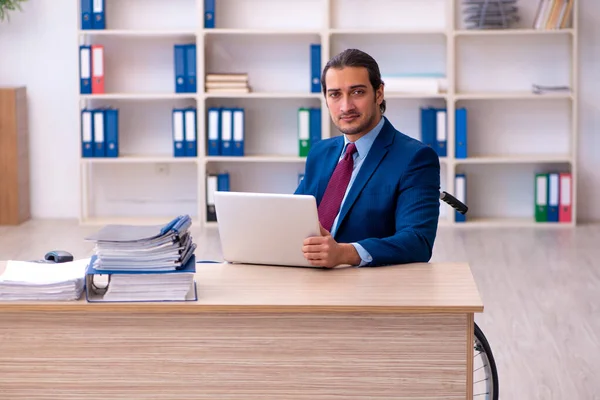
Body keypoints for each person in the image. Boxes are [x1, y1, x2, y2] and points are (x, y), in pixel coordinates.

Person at [295, 48, 441, 268]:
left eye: (357, 92)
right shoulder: (319, 153)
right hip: (306, 275)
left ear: (379, 93)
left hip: (367, 286)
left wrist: (345, 253)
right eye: (335, 94)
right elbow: (294, 218)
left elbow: (417, 240)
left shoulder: (416, 158)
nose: (346, 107)